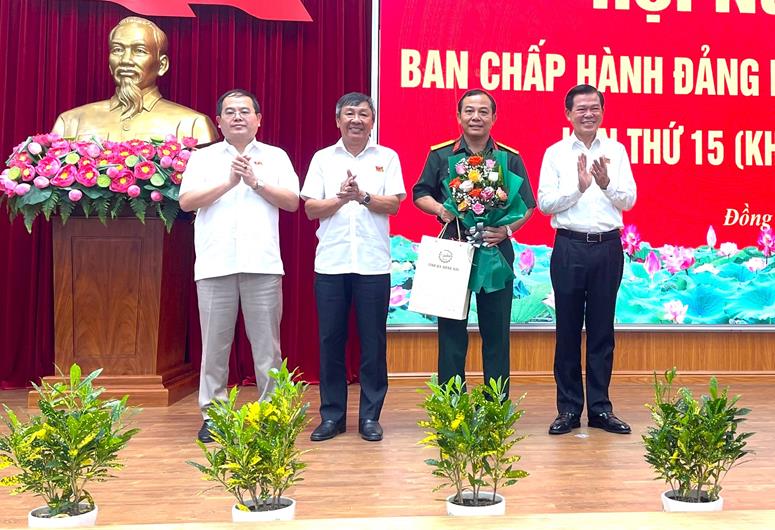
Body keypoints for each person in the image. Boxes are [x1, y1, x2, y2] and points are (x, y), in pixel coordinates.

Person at [179, 89, 300, 443]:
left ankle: (272, 413)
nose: (237, 117)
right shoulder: (202, 158)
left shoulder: (275, 157)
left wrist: (255, 182)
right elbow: (186, 202)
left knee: (267, 349)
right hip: (215, 265)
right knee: (214, 348)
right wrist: (229, 183)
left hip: (262, 264)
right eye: (229, 112)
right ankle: (214, 415)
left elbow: (292, 202)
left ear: (258, 119)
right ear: (218, 121)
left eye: (245, 111)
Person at [413, 89, 535, 397]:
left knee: (496, 333)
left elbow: (527, 205)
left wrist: (506, 230)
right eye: (469, 111)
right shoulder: (441, 155)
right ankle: (452, 402)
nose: (476, 117)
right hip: (453, 250)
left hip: (496, 251)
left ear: (494, 117)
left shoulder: (509, 158)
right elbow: (420, 193)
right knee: (451, 332)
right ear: (459, 116)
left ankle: (496, 403)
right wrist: (441, 210)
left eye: (483, 111)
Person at [302, 92, 405, 442]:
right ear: (338, 120)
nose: (356, 120)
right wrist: (340, 198)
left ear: (372, 121)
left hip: (373, 265)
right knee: (330, 341)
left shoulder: (387, 157)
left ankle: (370, 417)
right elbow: (311, 209)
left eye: (363, 114)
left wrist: (362, 197)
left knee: (373, 343)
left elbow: (393, 205)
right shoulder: (322, 159)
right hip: (331, 264)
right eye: (349, 113)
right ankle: (332, 416)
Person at [537, 84, 637, 435]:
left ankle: (600, 409)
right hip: (569, 246)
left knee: (601, 332)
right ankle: (568, 409)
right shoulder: (555, 153)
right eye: (581, 109)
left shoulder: (616, 151)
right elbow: (545, 203)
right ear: (568, 114)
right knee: (566, 331)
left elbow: (629, 200)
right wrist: (578, 188)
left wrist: (606, 184)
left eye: (594, 108)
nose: (588, 114)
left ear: (602, 112)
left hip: (607, 248)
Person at [52, 16, 216, 143]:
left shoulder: (193, 125)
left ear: (162, 65)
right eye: (117, 50)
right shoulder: (70, 121)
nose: (125, 60)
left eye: (139, 51)